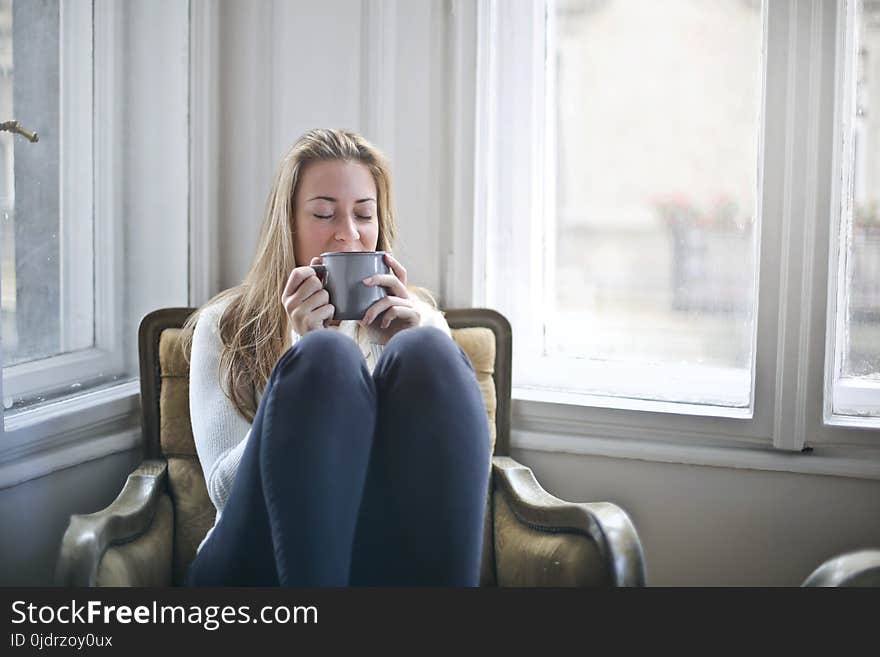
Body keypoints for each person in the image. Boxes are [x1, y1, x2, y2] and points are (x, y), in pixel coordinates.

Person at [181, 128, 490, 586]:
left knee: (426, 349)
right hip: (252, 557)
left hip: (379, 557)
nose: (349, 235)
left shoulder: (420, 321)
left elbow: (456, 487)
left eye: (364, 215)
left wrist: (393, 351)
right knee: (326, 357)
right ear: (287, 223)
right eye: (324, 214)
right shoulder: (225, 324)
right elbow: (225, 493)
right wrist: (299, 353)